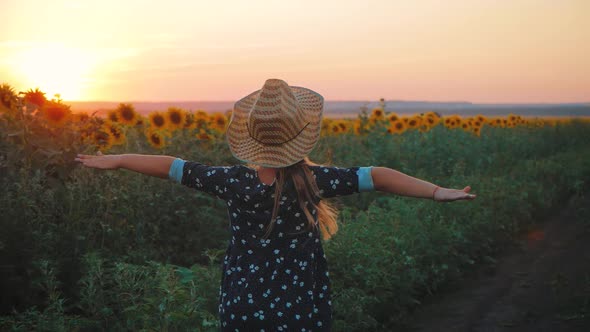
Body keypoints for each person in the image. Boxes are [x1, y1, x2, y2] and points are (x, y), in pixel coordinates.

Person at [76, 78, 476, 331]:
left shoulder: (233, 182)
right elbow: (379, 175)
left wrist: (119, 159)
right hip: (300, 309)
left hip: (242, 308)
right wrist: (437, 191)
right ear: (300, 135)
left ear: (251, 137)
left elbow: (173, 167)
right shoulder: (313, 181)